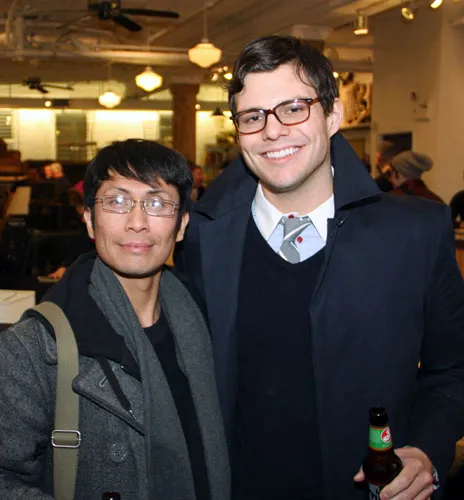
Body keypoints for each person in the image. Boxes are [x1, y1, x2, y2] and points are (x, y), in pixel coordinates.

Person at [175, 35, 464, 500]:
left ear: (333, 115)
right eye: (253, 116)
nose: (272, 131)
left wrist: (426, 451)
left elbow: (452, 370)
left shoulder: (415, 234)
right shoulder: (203, 237)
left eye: (293, 108)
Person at [0, 139, 230, 500]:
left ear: (181, 225)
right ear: (89, 220)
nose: (137, 223)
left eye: (157, 203)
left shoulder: (206, 321)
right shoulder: (34, 348)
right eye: (118, 202)